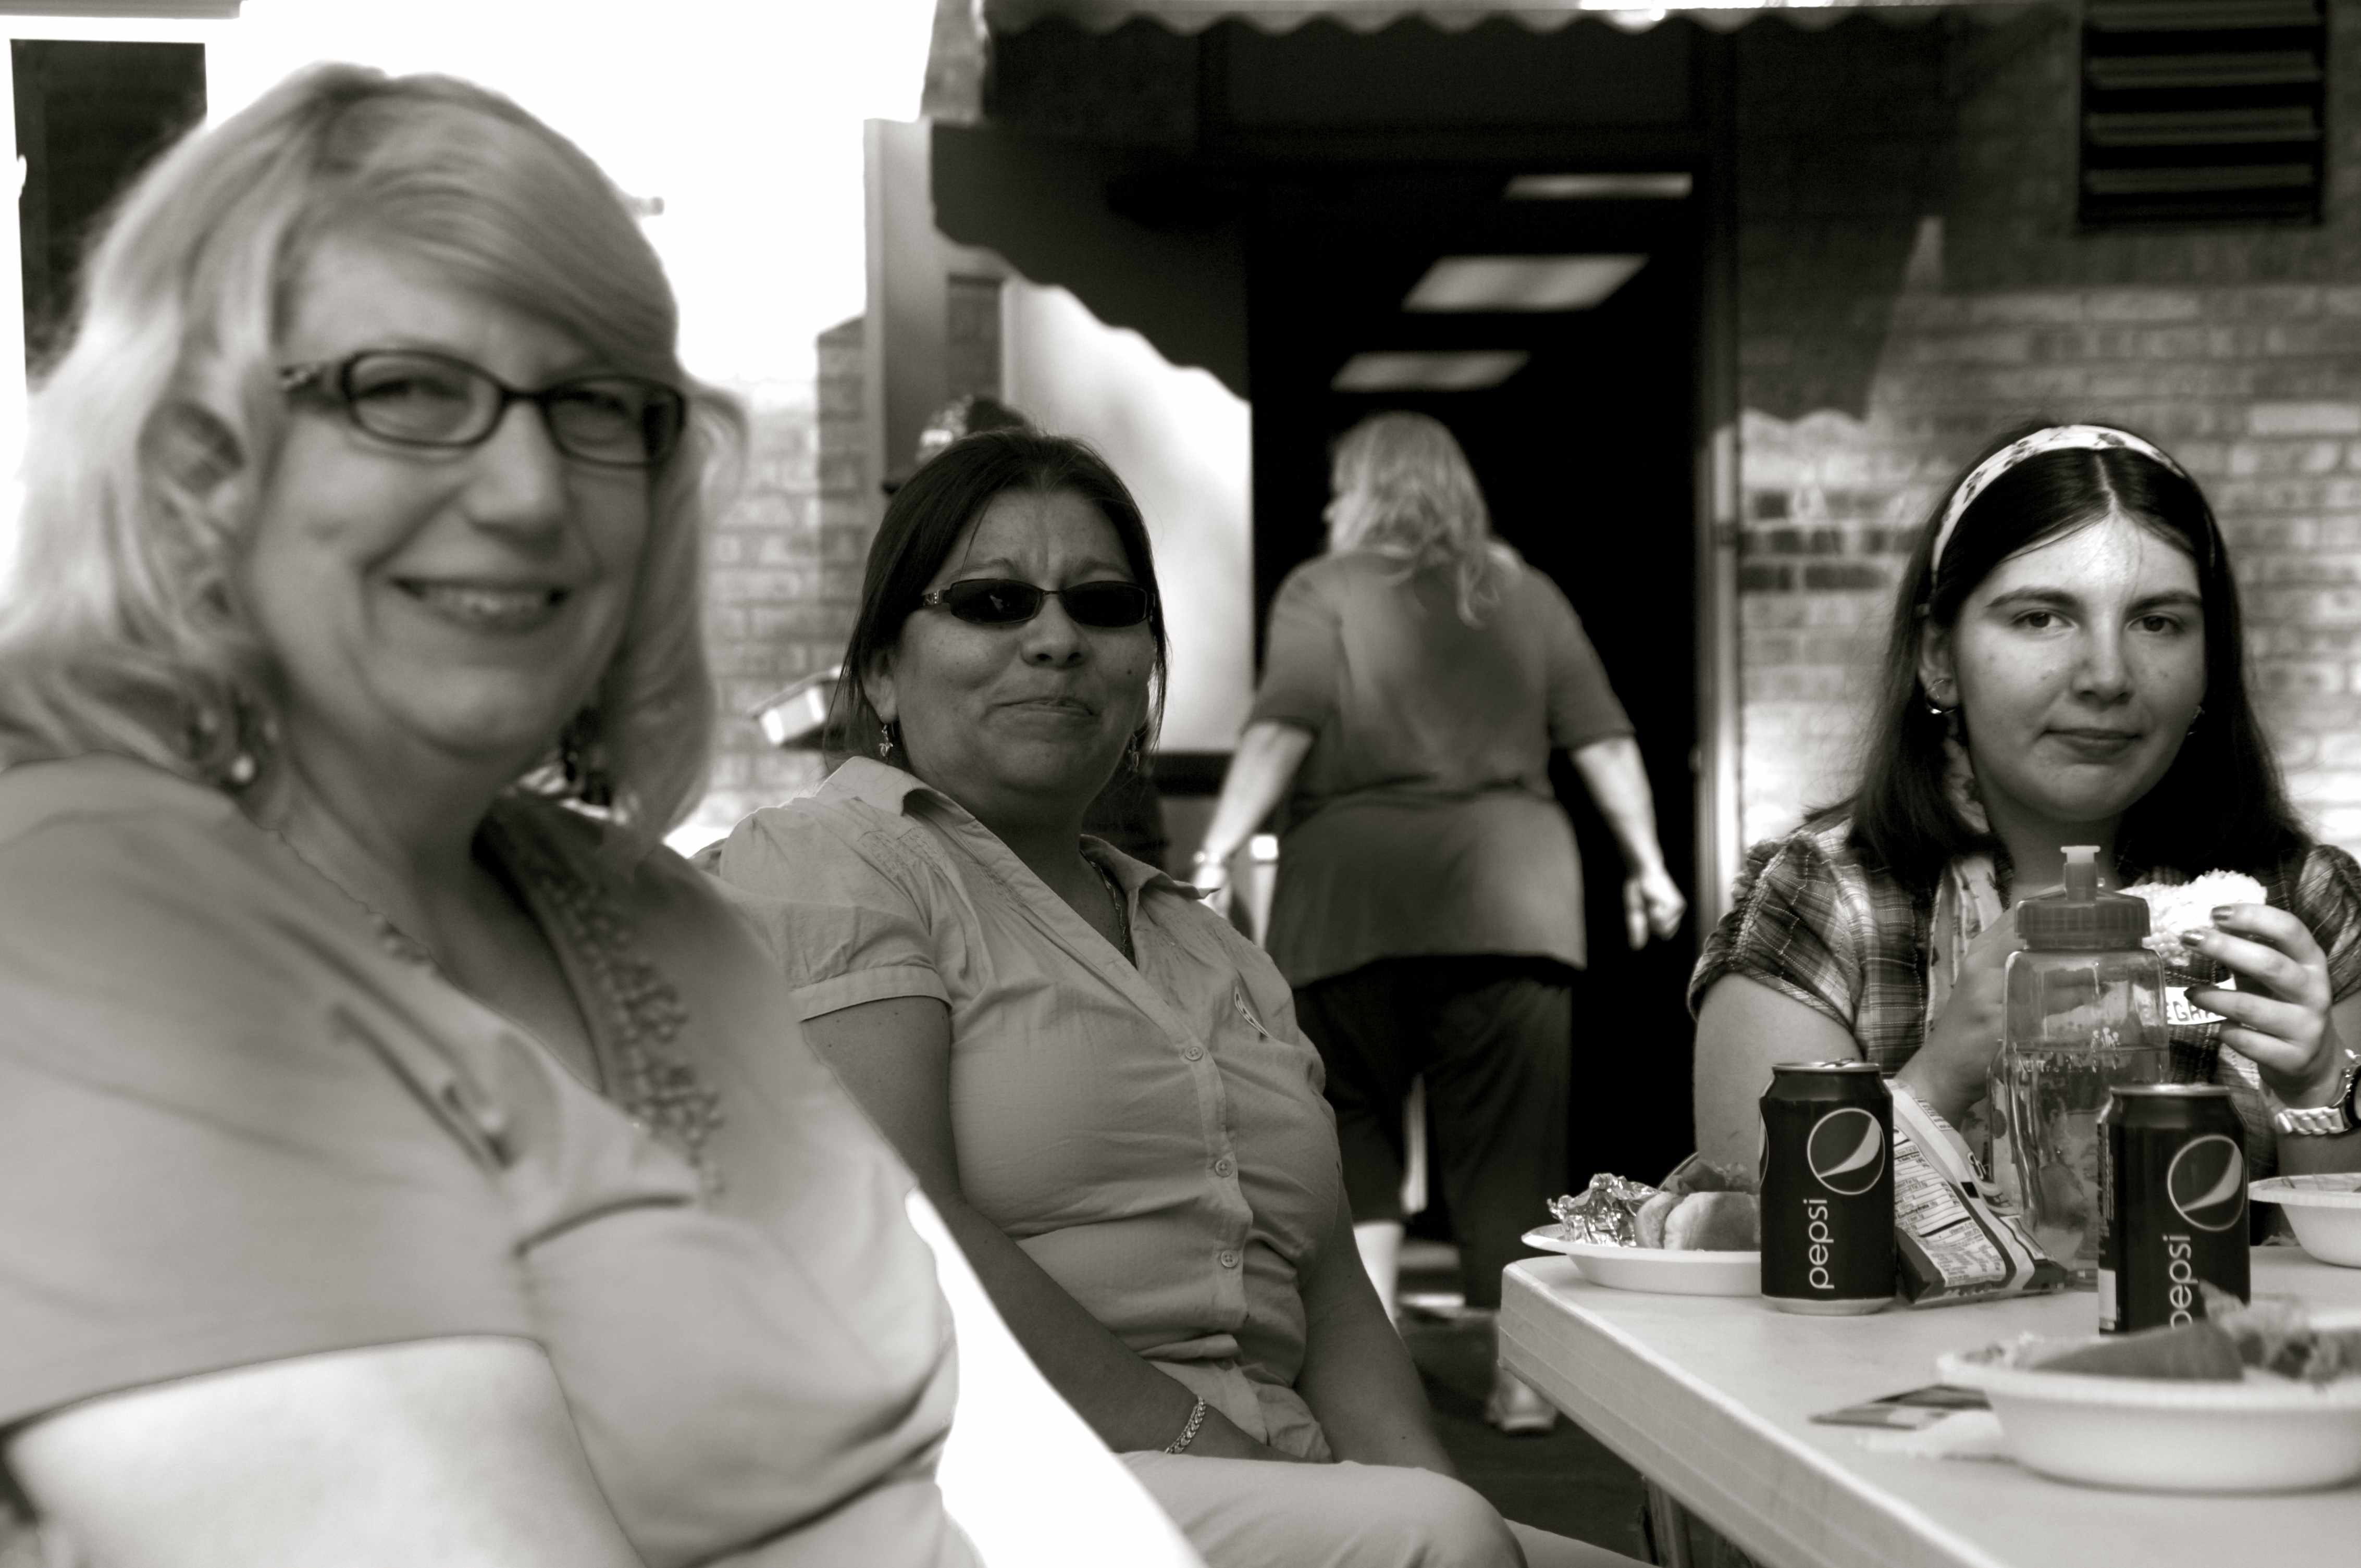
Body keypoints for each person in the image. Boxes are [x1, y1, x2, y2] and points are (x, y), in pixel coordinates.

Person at [0, 65, 1199, 1568]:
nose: (525, 491)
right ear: (198, 462)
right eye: (407, 390)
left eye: (593, 407)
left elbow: (1010, 1459)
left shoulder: (654, 912)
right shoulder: (82, 929)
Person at [706, 429, 1638, 1568]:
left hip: (1277, 1492)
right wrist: (1227, 1449)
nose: (1056, 638)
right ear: (882, 673)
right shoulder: (832, 861)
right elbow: (903, 1234)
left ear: (1145, 664)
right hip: (993, 1484)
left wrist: (1428, 1494)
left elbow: (1327, 1287)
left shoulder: (1211, 946)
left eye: (1103, 605)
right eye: (993, 601)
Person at [1692, 422, 2361, 1185]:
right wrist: (1943, 1072)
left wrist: (2316, 1087)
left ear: (2210, 662)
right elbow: (1749, 1233)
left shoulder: (2304, 906)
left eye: (2158, 622)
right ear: (1940, 659)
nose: (2106, 675)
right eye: (2041, 617)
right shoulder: (1823, 902)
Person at [1188, 412, 1685, 1434]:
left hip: (1351, 903)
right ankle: (1524, 1379)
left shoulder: (1323, 588)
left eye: (1340, 485)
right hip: (1512, 901)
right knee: (1510, 1150)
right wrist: (1647, 862)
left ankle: (1370, 1381)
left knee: (1350, 1133)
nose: (1331, 504)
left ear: (1362, 490)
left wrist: (1214, 848)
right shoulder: (1525, 593)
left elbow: (1282, 724)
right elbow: (1602, 740)